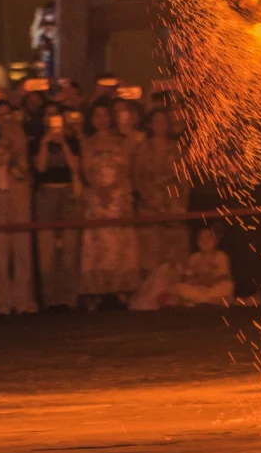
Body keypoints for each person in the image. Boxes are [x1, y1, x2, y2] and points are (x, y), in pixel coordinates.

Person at [79, 98, 140, 306]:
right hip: (97, 196)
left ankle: (122, 289)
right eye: (97, 116)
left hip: (118, 195)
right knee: (98, 243)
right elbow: (86, 170)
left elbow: (126, 166)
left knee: (119, 242)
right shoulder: (88, 142)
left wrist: (113, 189)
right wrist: (99, 189)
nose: (101, 120)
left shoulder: (120, 140)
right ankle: (96, 290)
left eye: (105, 115)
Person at [0, 101, 37, 315]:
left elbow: (24, 170)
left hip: (19, 197)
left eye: (8, 114)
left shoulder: (22, 138)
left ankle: (23, 300)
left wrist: (14, 151)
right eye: (0, 115)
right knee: (0, 254)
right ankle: (2, 300)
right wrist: (3, 144)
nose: (4, 119)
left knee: (22, 250)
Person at [33, 105, 83, 310]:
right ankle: (50, 299)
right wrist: (45, 143)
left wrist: (63, 143)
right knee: (47, 251)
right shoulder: (37, 142)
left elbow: (75, 167)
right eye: (49, 117)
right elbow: (41, 168)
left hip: (68, 193)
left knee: (70, 247)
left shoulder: (71, 141)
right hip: (45, 194)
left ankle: (68, 298)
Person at [133, 107, 190, 278]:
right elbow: (137, 177)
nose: (160, 125)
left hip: (173, 205)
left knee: (174, 251)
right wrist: (148, 199)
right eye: (156, 121)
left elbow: (184, 179)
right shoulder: (142, 148)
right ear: (150, 125)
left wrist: (180, 204)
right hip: (148, 206)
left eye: (164, 121)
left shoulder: (177, 149)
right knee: (149, 252)